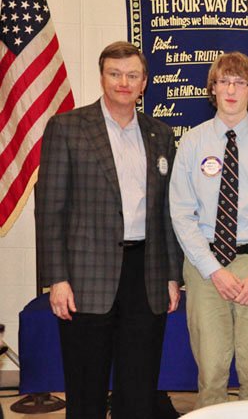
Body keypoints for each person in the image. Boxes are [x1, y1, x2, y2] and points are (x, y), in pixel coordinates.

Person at [36, 41, 183, 419]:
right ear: (102, 77)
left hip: (146, 277)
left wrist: (171, 275)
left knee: (139, 390)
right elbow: (51, 210)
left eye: (132, 75)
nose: (123, 82)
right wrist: (57, 279)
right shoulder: (67, 128)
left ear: (144, 82)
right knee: (86, 390)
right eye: (115, 74)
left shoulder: (161, 134)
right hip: (86, 278)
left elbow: (167, 212)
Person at [169, 52, 248, 408]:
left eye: (240, 82)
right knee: (211, 375)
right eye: (224, 81)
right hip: (205, 266)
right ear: (213, 88)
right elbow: (181, 214)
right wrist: (212, 270)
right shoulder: (193, 143)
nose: (231, 90)